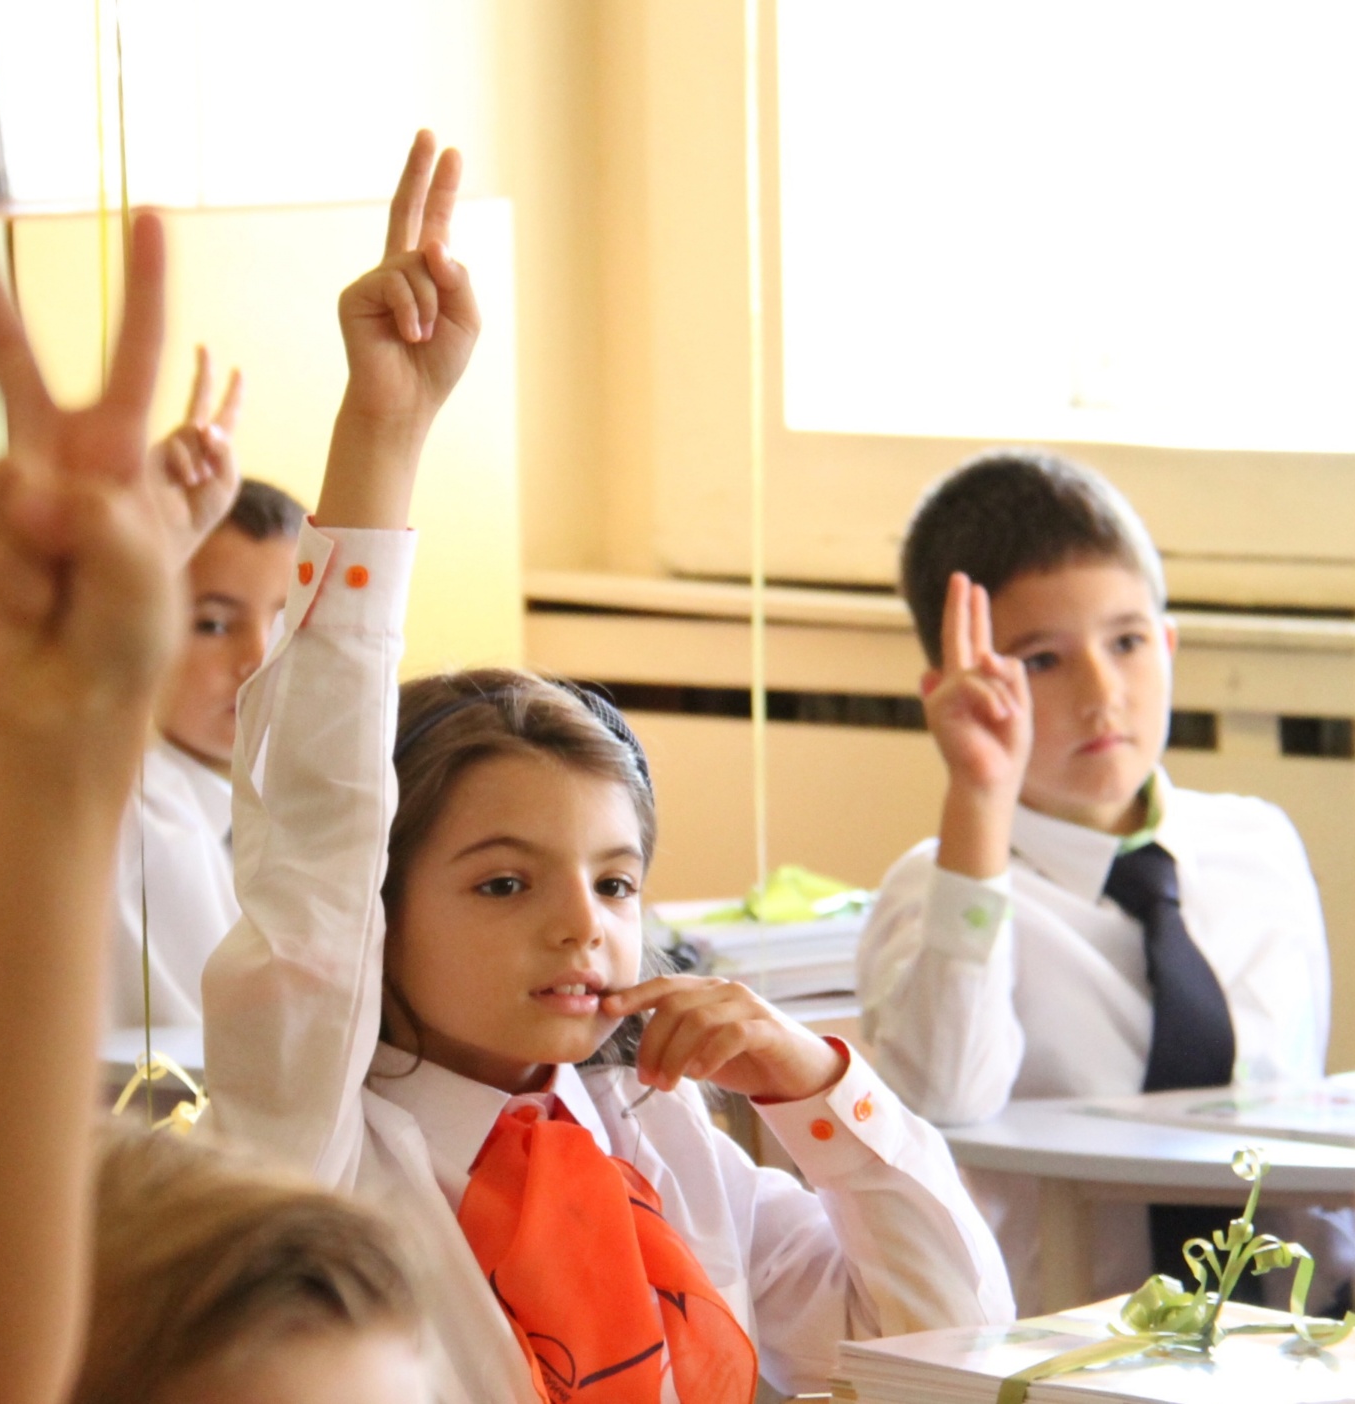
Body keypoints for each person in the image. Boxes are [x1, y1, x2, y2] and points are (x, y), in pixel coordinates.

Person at [203, 130, 1013, 1404]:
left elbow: (945, 1335)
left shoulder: (652, 1128)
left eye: (617, 883)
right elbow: (317, 827)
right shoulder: (316, 1149)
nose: (583, 925)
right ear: (376, 913)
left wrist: (813, 1085)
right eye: (503, 884)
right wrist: (385, 434)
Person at [0, 196, 429, 1404]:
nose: (249, 657)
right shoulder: (132, 797)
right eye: (211, 620)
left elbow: (324, 863)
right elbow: (311, 931)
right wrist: (55, 727)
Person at [856, 448, 1338, 1303]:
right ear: (953, 691)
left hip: (1296, 1328)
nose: (1102, 692)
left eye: (1127, 642)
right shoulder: (943, 890)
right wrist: (978, 798)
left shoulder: (1259, 846)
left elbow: (1297, 1114)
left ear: (1169, 643)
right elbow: (944, 1099)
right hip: (1077, 1338)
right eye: (1042, 659)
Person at [108, 355, 307, 1026]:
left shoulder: (328, 807)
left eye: (286, 625)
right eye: (213, 624)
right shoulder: (135, 820)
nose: (256, 659)